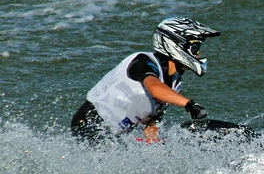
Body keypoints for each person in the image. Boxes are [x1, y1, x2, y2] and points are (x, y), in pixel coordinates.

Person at [71, 17, 220, 144]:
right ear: (175, 44)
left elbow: (150, 125)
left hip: (112, 136)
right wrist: (189, 105)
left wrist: (158, 150)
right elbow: (154, 87)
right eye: (195, 48)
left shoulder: (173, 85)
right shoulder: (144, 62)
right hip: (89, 124)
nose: (198, 54)